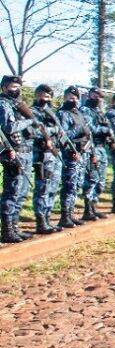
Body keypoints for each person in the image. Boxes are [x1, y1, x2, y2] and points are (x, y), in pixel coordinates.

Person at [0, 76, 34, 242]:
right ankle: (7, 231)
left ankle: (15, 227)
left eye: (18, 86)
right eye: (14, 86)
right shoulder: (4, 104)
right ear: (5, 88)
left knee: (21, 192)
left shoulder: (17, 104)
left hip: (24, 151)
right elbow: (9, 127)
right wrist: (28, 122)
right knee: (12, 192)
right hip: (12, 153)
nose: (17, 89)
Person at [30, 84, 66, 234]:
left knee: (53, 188)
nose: (47, 99)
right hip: (43, 154)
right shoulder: (32, 112)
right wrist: (52, 130)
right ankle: (41, 221)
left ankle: (48, 217)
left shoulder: (51, 111)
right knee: (43, 188)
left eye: (49, 97)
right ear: (37, 96)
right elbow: (35, 131)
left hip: (55, 153)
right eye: (44, 96)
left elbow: (60, 129)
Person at [56, 86, 89, 229]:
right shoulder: (62, 113)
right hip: (70, 154)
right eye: (70, 97)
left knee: (76, 185)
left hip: (81, 153)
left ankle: (71, 214)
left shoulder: (78, 113)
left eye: (75, 98)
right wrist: (79, 129)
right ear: (64, 98)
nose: (74, 100)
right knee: (69, 185)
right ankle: (64, 216)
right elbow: (63, 136)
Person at [80, 88, 113, 220]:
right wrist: (106, 129)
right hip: (91, 148)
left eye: (100, 97)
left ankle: (94, 207)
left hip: (101, 147)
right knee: (92, 179)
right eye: (95, 96)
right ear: (89, 96)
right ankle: (88, 210)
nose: (98, 99)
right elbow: (91, 129)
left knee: (101, 180)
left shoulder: (99, 111)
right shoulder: (84, 110)